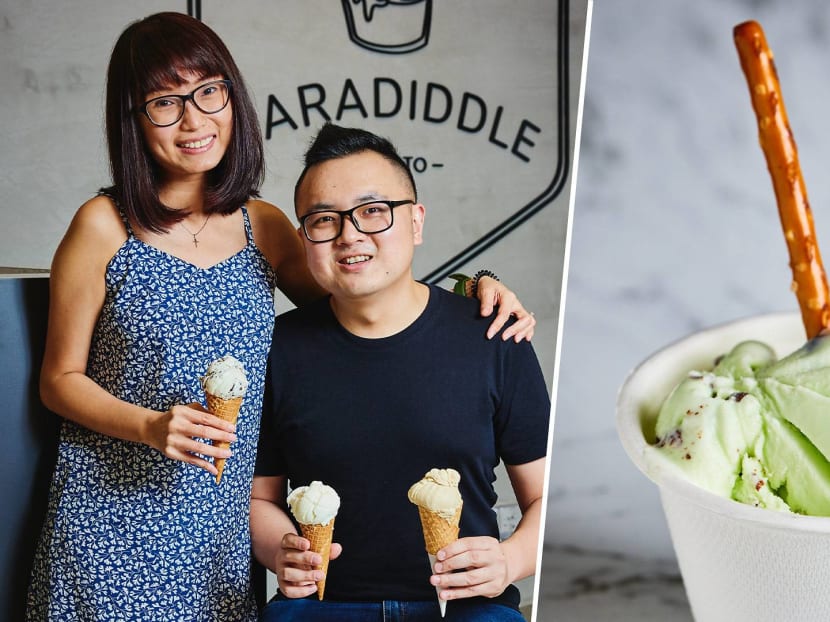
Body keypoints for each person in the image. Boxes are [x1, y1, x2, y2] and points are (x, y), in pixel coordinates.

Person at [25, 12, 535, 622]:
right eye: (164, 102)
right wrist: (150, 426)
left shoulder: (261, 225)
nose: (194, 120)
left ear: (231, 97)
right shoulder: (102, 226)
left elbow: (360, 295)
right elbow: (59, 380)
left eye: (209, 92)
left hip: (221, 532)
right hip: (112, 517)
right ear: (132, 119)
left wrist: (475, 288)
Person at [250, 123, 551, 622]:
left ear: (415, 221)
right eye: (324, 220)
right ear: (305, 237)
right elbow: (259, 498)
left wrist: (511, 560)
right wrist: (278, 549)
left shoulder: (494, 336)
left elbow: (544, 494)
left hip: (467, 608)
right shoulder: (277, 349)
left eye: (373, 212)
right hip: (321, 608)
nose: (350, 236)